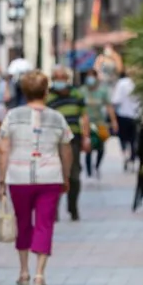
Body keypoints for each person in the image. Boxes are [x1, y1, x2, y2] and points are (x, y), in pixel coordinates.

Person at [0, 70, 74, 285]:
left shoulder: (12, 116)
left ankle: (23, 272)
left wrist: (1, 180)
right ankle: (39, 274)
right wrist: (66, 176)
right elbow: (66, 149)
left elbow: (2, 149)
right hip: (50, 176)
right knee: (45, 223)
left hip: (18, 177)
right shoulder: (57, 117)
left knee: (23, 222)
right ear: (46, 91)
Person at [47, 66, 92, 222]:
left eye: (62, 78)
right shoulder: (48, 96)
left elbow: (84, 116)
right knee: (54, 175)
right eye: (57, 78)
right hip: (53, 141)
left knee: (74, 175)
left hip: (73, 139)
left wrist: (86, 137)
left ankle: (73, 208)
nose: (60, 81)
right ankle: (54, 211)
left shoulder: (76, 94)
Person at [80, 72, 118, 178]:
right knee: (89, 146)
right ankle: (89, 172)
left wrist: (114, 121)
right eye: (88, 77)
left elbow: (109, 107)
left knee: (101, 147)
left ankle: (96, 166)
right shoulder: (82, 91)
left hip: (100, 123)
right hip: (86, 124)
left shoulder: (102, 91)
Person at [111, 70, 143, 171]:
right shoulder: (128, 83)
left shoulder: (122, 83)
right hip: (135, 116)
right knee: (133, 139)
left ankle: (127, 155)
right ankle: (131, 158)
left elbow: (115, 100)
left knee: (125, 139)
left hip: (125, 116)